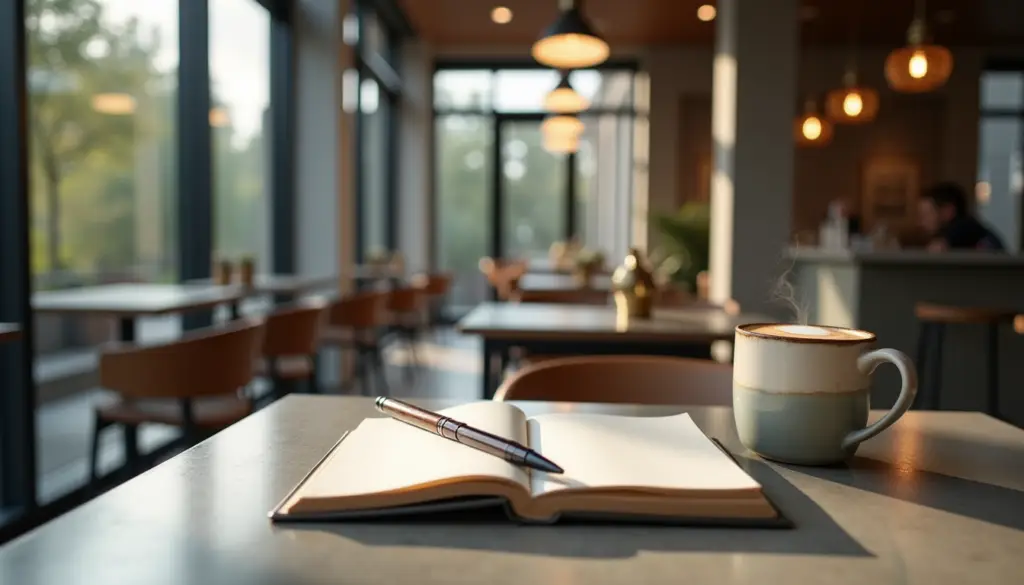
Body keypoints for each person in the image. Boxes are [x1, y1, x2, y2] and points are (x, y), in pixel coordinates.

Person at [917, 182, 1005, 251]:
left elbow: (963, 228)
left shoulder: (967, 229)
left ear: (948, 211)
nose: (920, 222)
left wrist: (942, 243)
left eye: (926, 215)